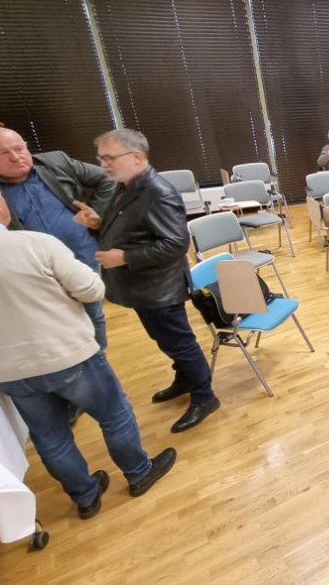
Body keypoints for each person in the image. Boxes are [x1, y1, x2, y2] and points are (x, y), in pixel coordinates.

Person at [0, 171, 175, 518]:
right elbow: (93, 290)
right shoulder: (36, 244)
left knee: (50, 437)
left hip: (6, 369)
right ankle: (139, 473)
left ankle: (85, 496)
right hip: (69, 354)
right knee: (114, 415)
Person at [72, 129, 220, 433]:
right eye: (100, 158)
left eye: (109, 158)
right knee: (164, 340)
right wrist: (98, 224)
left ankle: (205, 397)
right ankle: (184, 379)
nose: (103, 165)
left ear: (137, 157)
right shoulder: (127, 186)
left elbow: (176, 243)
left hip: (159, 287)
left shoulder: (157, 192)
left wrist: (125, 257)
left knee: (180, 343)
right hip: (142, 286)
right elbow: (134, 230)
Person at [0, 127, 115, 350]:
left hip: (82, 254)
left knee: (92, 313)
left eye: (19, 149)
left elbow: (107, 179)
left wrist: (96, 211)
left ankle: (98, 358)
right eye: (3, 153)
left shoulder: (56, 162)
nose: (15, 157)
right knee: (51, 322)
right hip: (35, 268)